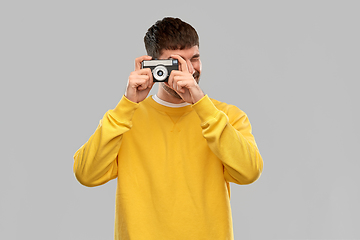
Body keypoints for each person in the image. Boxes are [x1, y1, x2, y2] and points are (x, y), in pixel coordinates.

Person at [73, 17, 263, 240]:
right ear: (153, 66)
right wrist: (127, 104)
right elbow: (86, 174)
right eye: (177, 62)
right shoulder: (125, 118)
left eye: (195, 59)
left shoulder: (227, 116)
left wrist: (201, 104)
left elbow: (250, 172)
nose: (189, 70)